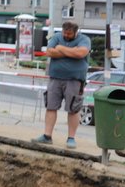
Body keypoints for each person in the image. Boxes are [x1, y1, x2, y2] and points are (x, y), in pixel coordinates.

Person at [32, 21, 90, 149]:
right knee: (51, 106)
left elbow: (81, 53)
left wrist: (61, 48)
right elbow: (49, 52)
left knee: (73, 109)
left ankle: (71, 138)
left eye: (69, 34)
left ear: (76, 32)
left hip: (75, 80)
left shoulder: (84, 39)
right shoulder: (57, 37)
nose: (66, 36)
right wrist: (72, 52)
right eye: (65, 33)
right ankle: (47, 136)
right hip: (55, 78)